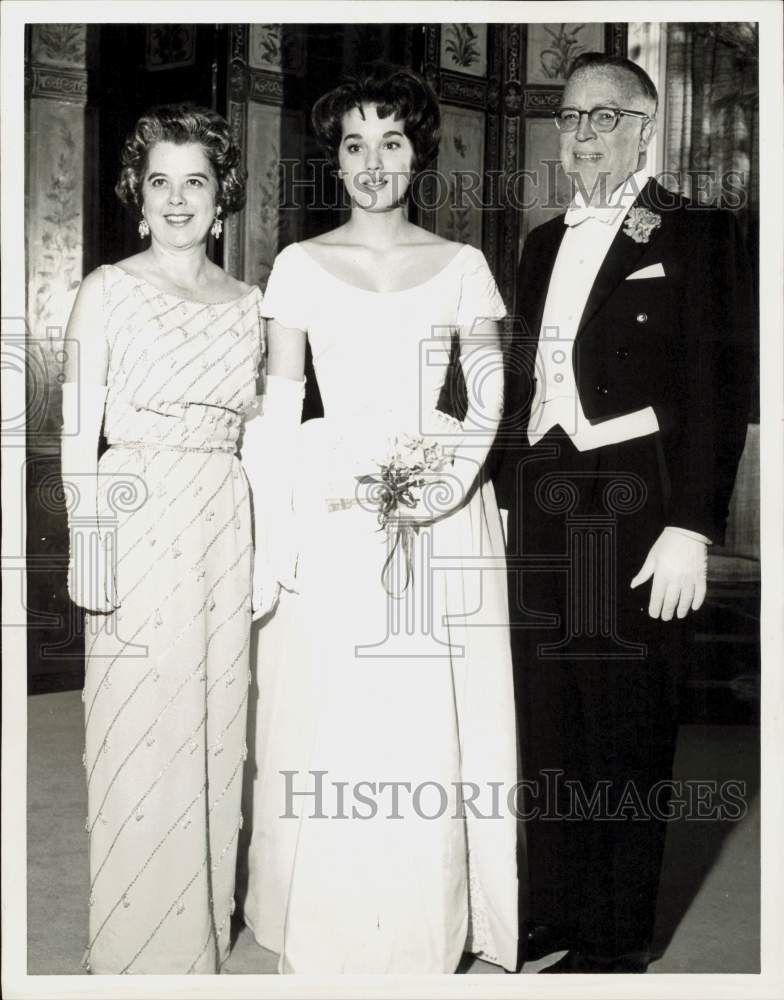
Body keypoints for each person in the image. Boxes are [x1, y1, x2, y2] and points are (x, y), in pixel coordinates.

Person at [240, 64, 518, 973]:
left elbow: (485, 395)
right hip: (331, 495)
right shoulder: (298, 264)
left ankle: (420, 924)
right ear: (336, 159)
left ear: (418, 154)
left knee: (422, 710)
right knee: (325, 699)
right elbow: (282, 401)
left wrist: (440, 484)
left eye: (390, 141)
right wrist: (274, 523)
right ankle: (311, 914)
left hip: (435, 489)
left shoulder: (464, 265)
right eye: (354, 145)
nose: (371, 162)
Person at [494, 53, 754, 973]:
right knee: (549, 714)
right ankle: (554, 912)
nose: (582, 134)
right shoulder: (536, 243)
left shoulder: (700, 234)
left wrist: (694, 525)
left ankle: (612, 941)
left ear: (647, 125)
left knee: (626, 723)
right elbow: (514, 388)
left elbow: (721, 389)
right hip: (539, 498)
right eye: (569, 118)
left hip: (639, 504)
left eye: (603, 117)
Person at [61, 105, 268, 973]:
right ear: (136, 198)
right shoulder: (106, 288)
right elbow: (77, 435)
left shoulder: (253, 302)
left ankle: (197, 927)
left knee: (214, 723)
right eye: (160, 182)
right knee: (134, 720)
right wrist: (89, 546)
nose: (177, 198)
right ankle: (132, 941)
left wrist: (269, 548)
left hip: (224, 512)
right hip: (136, 506)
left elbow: (260, 431)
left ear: (221, 198)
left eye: (196, 181)